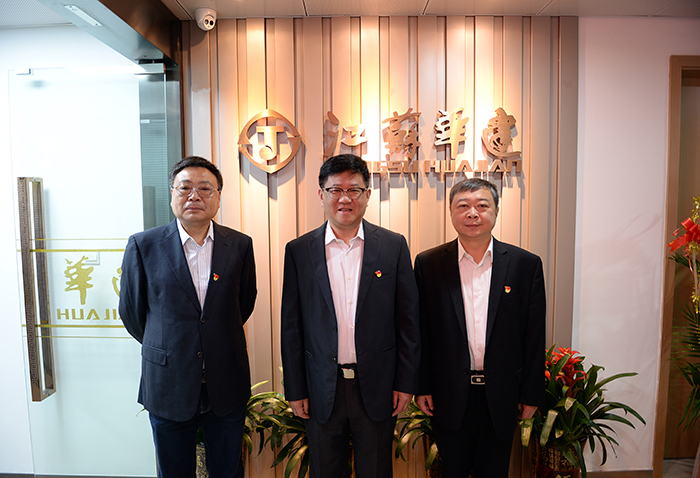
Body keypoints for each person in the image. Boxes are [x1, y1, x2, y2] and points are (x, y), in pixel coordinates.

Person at [280, 153, 420, 478]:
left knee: (376, 471)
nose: (345, 198)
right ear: (321, 195)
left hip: (378, 386)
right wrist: (296, 389)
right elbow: (291, 328)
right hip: (321, 387)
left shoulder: (393, 246)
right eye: (335, 190)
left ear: (367, 195)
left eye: (354, 190)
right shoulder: (299, 251)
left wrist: (405, 383)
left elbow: (408, 323)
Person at [119, 156, 257, 478]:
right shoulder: (143, 245)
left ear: (218, 196)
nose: (195, 196)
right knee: (173, 471)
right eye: (185, 188)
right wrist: (169, 343)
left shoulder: (239, 245)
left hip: (226, 380)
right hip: (169, 381)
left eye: (205, 188)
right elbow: (132, 312)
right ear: (172, 194)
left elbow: (243, 304)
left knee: (228, 470)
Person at [414, 178, 546, 478]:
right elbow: (421, 332)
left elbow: (534, 335)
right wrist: (422, 387)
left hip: (501, 394)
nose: (472, 213)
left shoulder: (525, 265)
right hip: (448, 394)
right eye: (463, 206)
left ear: (496, 211)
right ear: (451, 212)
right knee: (452, 471)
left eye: (482, 205)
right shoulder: (429, 264)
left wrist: (531, 394)